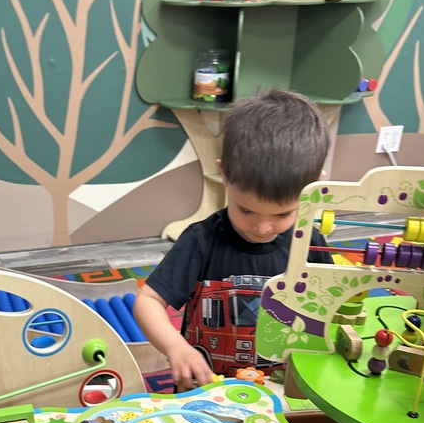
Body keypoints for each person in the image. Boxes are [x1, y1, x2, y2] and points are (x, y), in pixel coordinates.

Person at [134, 88, 333, 391]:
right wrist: (176, 347)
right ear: (224, 176)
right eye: (247, 210)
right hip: (205, 391)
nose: (263, 228)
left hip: (281, 391)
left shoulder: (311, 244)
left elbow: (330, 309)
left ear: (315, 187)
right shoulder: (201, 241)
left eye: (282, 215)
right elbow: (148, 301)